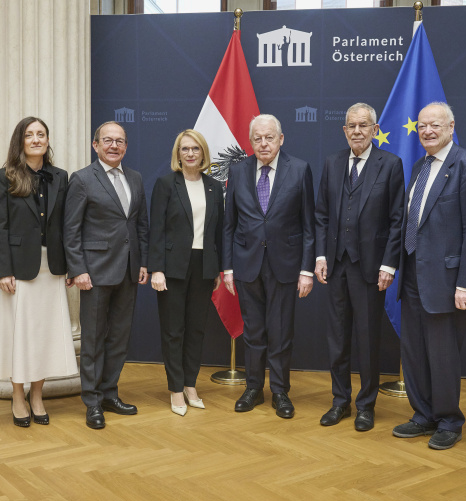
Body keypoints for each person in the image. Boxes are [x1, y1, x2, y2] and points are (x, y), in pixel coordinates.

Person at [393, 102, 466, 450]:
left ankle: (449, 420)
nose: (428, 131)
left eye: (435, 125)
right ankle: (423, 415)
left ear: (451, 126)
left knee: (443, 354)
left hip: (448, 283)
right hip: (413, 277)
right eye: (421, 126)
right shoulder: (419, 166)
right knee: (415, 352)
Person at [314, 103, 405, 431]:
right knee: (337, 339)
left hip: (370, 269)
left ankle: (366, 405)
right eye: (351, 126)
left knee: (367, 340)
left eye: (363, 126)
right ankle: (340, 401)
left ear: (374, 129)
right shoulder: (332, 162)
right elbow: (321, 214)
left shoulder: (391, 164)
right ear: (344, 130)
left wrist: (388, 265)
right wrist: (321, 257)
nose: (357, 131)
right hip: (336, 265)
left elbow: (398, 220)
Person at [222, 114, 315, 419]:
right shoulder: (237, 171)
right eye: (258, 138)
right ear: (251, 142)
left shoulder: (299, 170)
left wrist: (306, 270)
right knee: (253, 332)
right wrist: (228, 268)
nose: (264, 143)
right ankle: (253, 389)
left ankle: (279, 391)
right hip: (247, 265)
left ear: (281, 139)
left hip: (285, 266)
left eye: (269, 137)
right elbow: (229, 225)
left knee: (281, 332)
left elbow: (308, 226)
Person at [0, 117, 79, 427]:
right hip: (18, 269)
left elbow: (68, 227)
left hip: (51, 268)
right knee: (20, 334)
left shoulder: (60, 177)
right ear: (21, 141)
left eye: (41, 134)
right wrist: (3, 271)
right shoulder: (4, 177)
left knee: (43, 335)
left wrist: (70, 267)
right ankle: (17, 395)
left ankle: (37, 395)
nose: (36, 139)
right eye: (30, 135)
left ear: (47, 140)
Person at [64, 121, 149, 430]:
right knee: (94, 339)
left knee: (118, 338)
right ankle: (92, 401)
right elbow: (70, 230)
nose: (114, 146)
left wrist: (143, 261)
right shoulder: (83, 179)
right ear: (95, 145)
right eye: (108, 140)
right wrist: (79, 269)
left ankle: (111, 393)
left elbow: (140, 224)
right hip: (95, 272)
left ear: (126, 146)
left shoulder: (136, 179)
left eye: (120, 141)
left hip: (128, 270)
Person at [148, 130, 224, 416]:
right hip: (172, 268)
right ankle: (176, 389)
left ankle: (191, 384)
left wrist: (217, 267)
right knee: (173, 330)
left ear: (203, 153)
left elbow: (218, 232)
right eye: (184, 149)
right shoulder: (166, 184)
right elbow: (156, 229)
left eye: (195, 149)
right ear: (177, 154)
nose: (190, 154)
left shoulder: (214, 187)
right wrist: (157, 269)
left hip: (204, 266)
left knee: (196, 328)